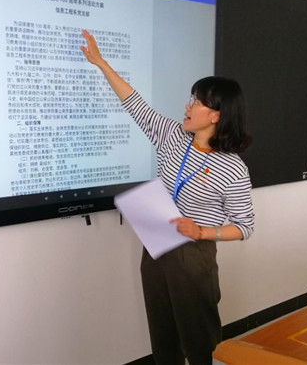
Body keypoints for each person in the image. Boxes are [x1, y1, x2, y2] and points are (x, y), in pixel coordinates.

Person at [80, 30, 255, 365]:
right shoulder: (173, 135)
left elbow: (244, 226)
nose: (187, 106)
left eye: (197, 101)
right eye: (191, 98)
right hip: (156, 246)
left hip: (194, 255)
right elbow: (134, 103)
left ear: (216, 115)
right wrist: (101, 63)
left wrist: (202, 232)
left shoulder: (233, 168)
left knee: (199, 341)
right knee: (162, 337)